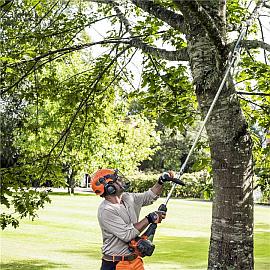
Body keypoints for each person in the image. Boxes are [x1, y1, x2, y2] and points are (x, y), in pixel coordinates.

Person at [90, 168, 175, 270]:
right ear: (109, 188)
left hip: (135, 260)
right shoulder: (106, 210)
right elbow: (127, 234)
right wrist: (150, 218)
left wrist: (161, 181)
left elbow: (149, 196)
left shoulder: (128, 198)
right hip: (116, 264)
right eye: (117, 180)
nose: (121, 181)